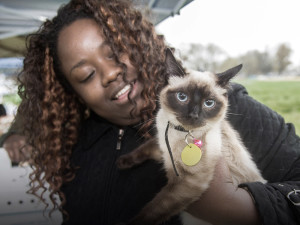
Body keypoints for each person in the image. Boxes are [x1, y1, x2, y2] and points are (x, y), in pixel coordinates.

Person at [2, 0, 300, 224]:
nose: (109, 74)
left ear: (137, 44)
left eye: (115, 51)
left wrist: (244, 207)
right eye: (86, 75)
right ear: (73, 92)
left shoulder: (218, 109)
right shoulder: (74, 145)